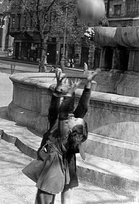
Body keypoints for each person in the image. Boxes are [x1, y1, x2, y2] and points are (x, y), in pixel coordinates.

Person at [22, 64, 100, 204]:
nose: (74, 116)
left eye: (75, 118)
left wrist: (70, 92)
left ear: (71, 130)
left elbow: (64, 112)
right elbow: (82, 108)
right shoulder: (69, 128)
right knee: (58, 192)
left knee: (48, 194)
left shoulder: (63, 129)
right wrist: (87, 85)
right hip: (56, 159)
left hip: (55, 162)